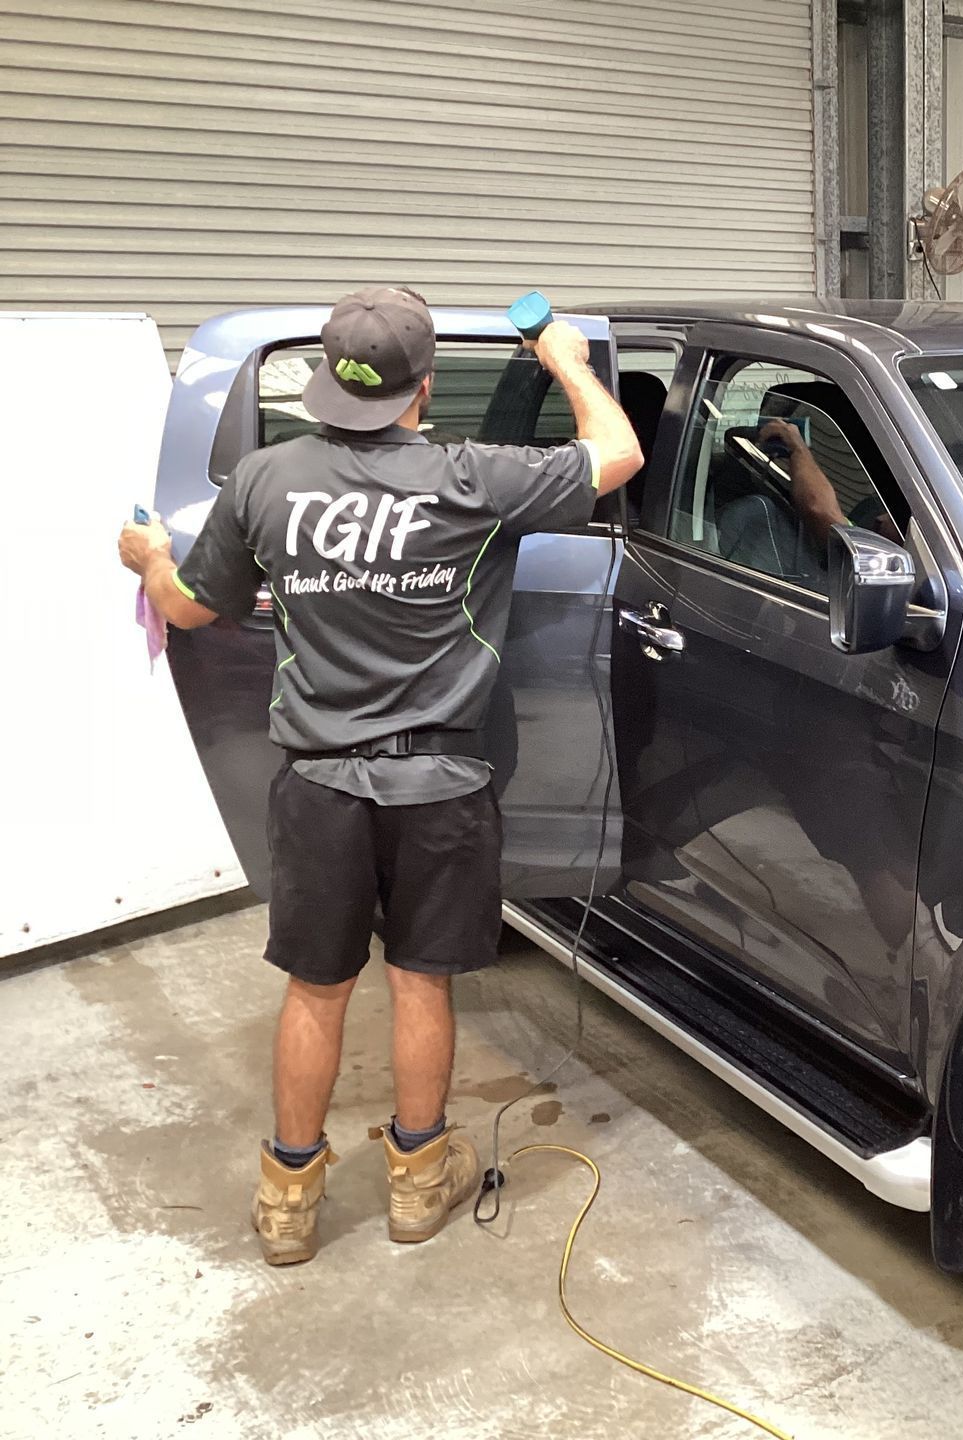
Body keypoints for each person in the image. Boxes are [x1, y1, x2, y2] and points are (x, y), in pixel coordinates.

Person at [117, 286, 642, 1265]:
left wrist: (148, 558)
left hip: (318, 785)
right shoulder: (474, 477)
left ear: (325, 381)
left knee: (316, 991)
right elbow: (617, 455)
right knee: (419, 983)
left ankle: (287, 1199)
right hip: (439, 784)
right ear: (424, 386)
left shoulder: (265, 480)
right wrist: (567, 360)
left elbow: (191, 611)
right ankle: (414, 1184)